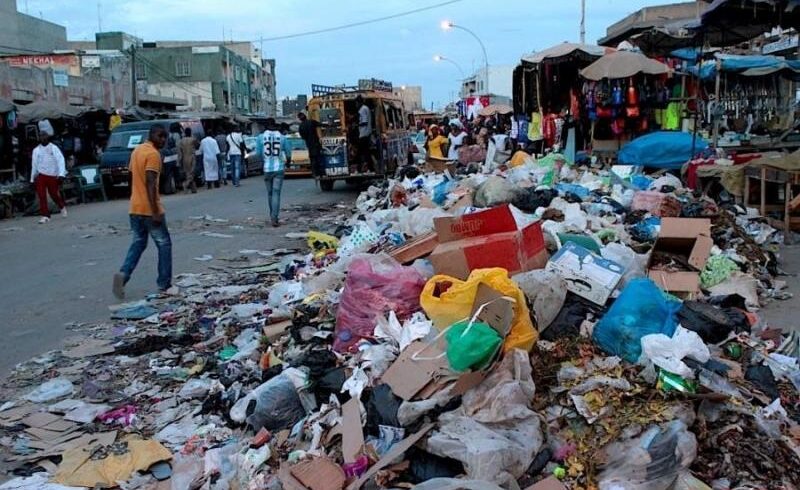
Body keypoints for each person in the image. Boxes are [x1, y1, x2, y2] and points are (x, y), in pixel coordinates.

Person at [113, 124, 172, 299]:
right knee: (164, 244)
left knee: (138, 243)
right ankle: (164, 284)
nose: (163, 140)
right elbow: (150, 183)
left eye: (164, 137)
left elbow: (133, 177)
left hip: (135, 208)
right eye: (160, 136)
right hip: (149, 209)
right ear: (152, 135)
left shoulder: (137, 151)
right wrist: (155, 211)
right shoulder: (153, 154)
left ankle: (123, 275)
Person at [31, 131, 67, 224]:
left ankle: (61, 206)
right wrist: (32, 179)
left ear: (47, 137)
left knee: (53, 194)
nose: (42, 138)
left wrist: (61, 174)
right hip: (41, 175)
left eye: (44, 136)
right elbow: (34, 164)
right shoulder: (36, 150)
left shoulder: (53, 148)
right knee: (41, 195)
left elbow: (60, 160)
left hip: (52, 174)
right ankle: (45, 215)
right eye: (41, 136)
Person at [261, 117, 292, 227]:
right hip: (278, 168)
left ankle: (272, 215)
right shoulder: (282, 137)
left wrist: (263, 162)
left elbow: (259, 152)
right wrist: (288, 162)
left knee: (269, 193)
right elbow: (288, 153)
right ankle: (275, 217)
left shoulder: (261, 137)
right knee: (276, 193)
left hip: (267, 169)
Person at [297, 112, 323, 177]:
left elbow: (303, 137)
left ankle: (315, 173)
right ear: (305, 116)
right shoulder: (311, 122)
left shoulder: (301, 126)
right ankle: (321, 172)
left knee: (313, 159)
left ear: (300, 119)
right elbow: (320, 124)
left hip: (310, 145)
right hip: (316, 144)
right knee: (319, 158)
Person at [355, 95, 374, 172]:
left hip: (363, 134)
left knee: (360, 153)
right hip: (367, 133)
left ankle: (359, 169)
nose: (356, 105)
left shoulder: (362, 110)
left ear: (358, 102)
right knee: (366, 152)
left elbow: (364, 122)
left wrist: (356, 125)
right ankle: (370, 168)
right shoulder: (366, 108)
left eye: (356, 103)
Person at [177, 127, 198, 193]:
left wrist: (179, 162)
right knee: (192, 173)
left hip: (184, 159)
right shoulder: (193, 139)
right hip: (192, 158)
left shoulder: (181, 141)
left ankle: (193, 189)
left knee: (188, 174)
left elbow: (179, 153)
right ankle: (185, 184)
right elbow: (198, 144)